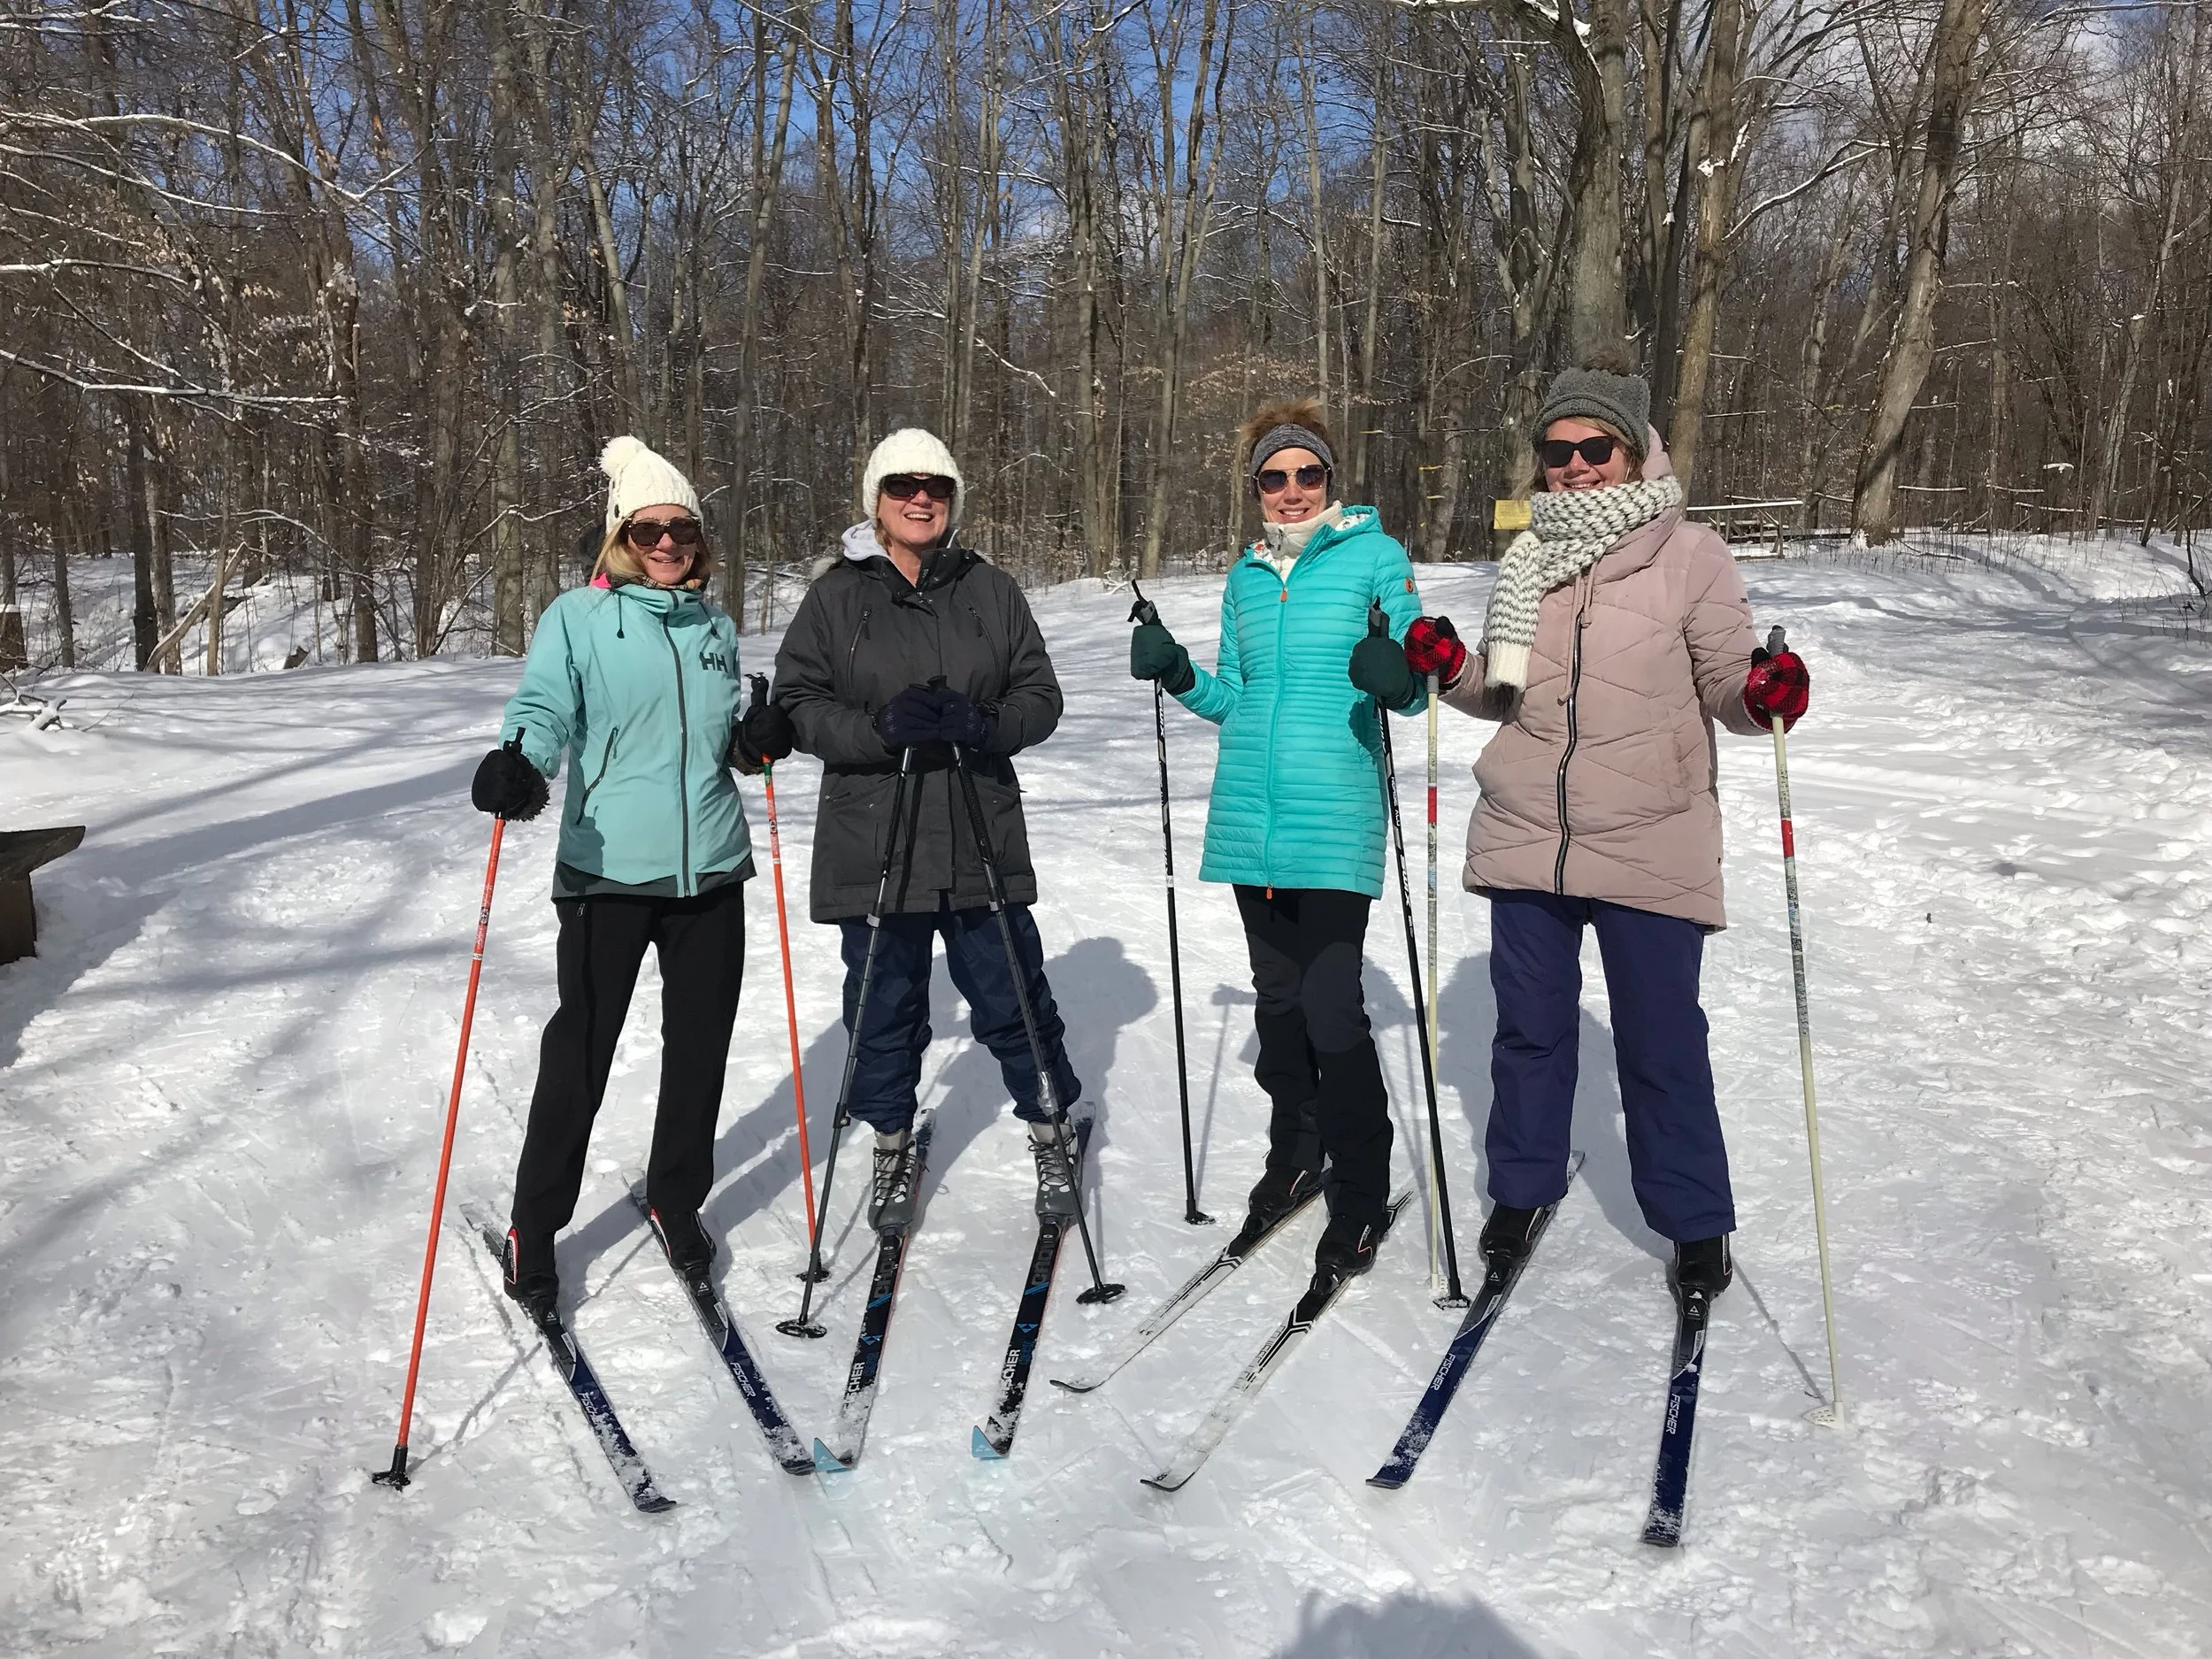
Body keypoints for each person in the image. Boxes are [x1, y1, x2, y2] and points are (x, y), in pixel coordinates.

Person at [1399, 356, 1811, 1307]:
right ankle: (1521, 1190)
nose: (1575, 465)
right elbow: (1501, 693)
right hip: (1527, 831)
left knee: (1660, 1041)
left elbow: (1725, 680)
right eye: (1557, 450)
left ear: (1634, 454)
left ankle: (1694, 1220)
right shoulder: (1526, 556)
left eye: (1596, 447)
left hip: (1650, 831)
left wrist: (1762, 694)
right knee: (1528, 1036)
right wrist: (1450, 664)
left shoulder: (1690, 554)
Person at [469, 435, 792, 1318]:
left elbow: (715, 739)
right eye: (649, 528)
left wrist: (752, 742)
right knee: (579, 1054)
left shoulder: (714, 627)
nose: (667, 543)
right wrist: (520, 763)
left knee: (699, 1052)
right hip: (609, 869)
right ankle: (535, 1228)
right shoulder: (575, 617)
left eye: (681, 529)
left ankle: (674, 1199)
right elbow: (543, 707)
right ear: (620, 535)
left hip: (712, 872)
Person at [1128, 397, 1425, 1281]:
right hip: (1249, 825)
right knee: (1279, 1004)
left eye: (1308, 474)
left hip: (1334, 820)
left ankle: (1361, 1192)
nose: (1292, 490)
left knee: (1333, 1009)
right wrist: (1181, 674)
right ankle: (1294, 1155)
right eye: (1274, 478)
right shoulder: (1245, 578)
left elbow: (1416, 679)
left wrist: (1401, 678)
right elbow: (1237, 698)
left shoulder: (1376, 558)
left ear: (1330, 481)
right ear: (1255, 490)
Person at [770, 427, 1081, 1231]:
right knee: (883, 1004)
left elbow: (1039, 696)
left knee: (1012, 990)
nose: (921, 498)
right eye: (904, 485)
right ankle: (891, 1139)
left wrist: (982, 721)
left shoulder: (991, 589)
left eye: (937, 486)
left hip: (977, 827)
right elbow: (798, 707)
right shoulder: (837, 596)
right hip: (874, 838)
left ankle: (1051, 1128)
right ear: (875, 499)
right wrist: (878, 729)